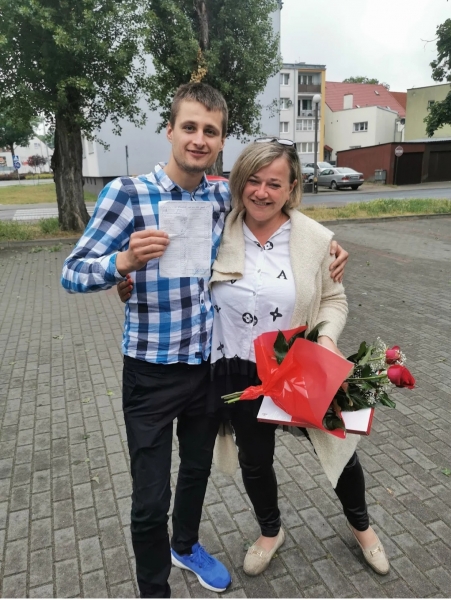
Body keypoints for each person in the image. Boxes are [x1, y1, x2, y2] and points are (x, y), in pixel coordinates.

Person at [62, 81, 349, 599]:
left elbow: (275, 212)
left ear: (220, 142)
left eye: (210, 131)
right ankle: (154, 590)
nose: (199, 139)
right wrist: (121, 263)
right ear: (169, 130)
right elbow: (72, 272)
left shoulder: (222, 197)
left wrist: (327, 249)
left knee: (196, 472)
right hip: (150, 371)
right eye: (189, 127)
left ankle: (186, 545)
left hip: (206, 370)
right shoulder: (127, 194)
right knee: (150, 499)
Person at [206, 139, 390, 577]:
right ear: (239, 181)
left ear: (292, 188)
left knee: (339, 448)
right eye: (253, 180)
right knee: (255, 460)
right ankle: (271, 532)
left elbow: (334, 300)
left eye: (274, 183)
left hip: (299, 364)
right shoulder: (217, 231)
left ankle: (362, 528)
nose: (261, 192)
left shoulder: (314, 239)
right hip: (239, 370)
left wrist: (325, 338)